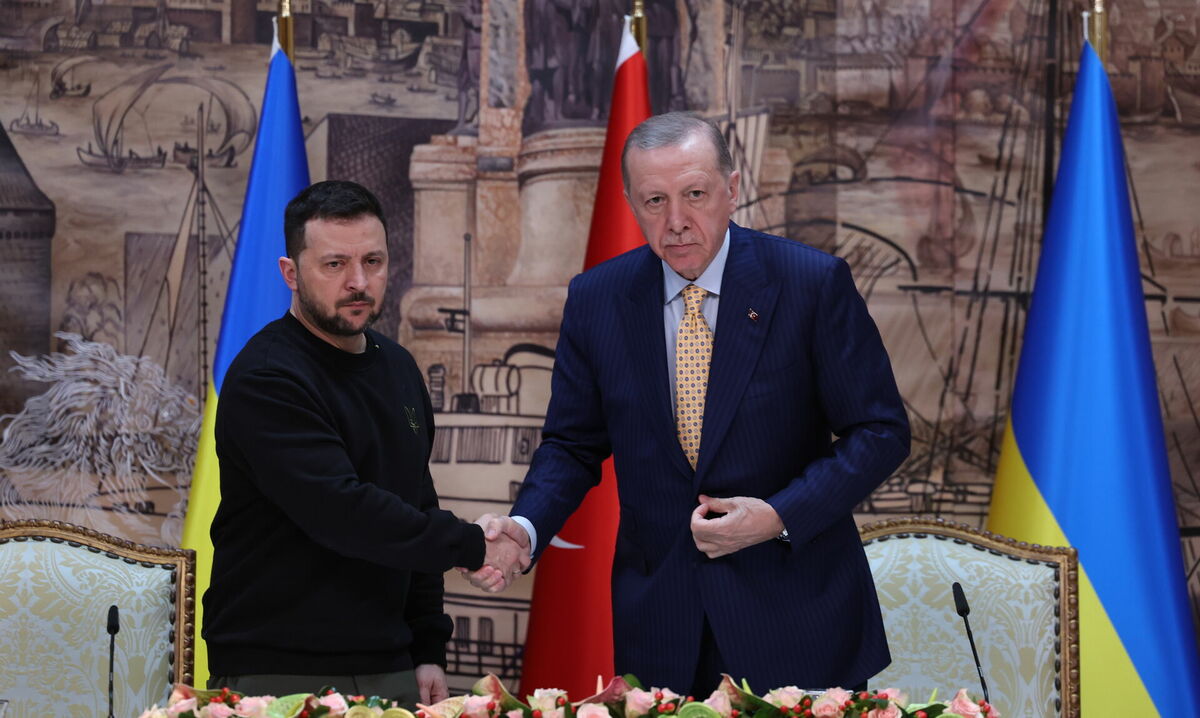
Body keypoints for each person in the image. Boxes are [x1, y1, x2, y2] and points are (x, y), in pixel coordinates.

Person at [471, 114, 910, 694]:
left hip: (797, 617)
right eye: (654, 201)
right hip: (662, 625)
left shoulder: (810, 283)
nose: (675, 222)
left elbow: (879, 431)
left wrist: (777, 517)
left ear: (731, 189)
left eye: (695, 194)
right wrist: (525, 529)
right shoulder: (597, 299)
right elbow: (573, 444)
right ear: (630, 203)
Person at [202, 181, 528, 704]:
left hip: (389, 667)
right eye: (334, 265)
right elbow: (344, 512)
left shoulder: (397, 366)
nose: (358, 281)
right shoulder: (267, 377)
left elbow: (416, 502)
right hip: (278, 673)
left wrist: (426, 646)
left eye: (372, 261)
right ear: (291, 273)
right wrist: (472, 544)